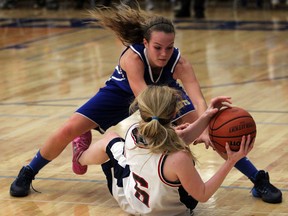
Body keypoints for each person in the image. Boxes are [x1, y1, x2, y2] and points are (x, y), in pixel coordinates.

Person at [10, 2, 282, 204]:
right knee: (69, 127)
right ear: (145, 43)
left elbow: (197, 96)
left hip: (163, 95)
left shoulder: (180, 61)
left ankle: (257, 179)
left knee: (220, 132)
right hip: (124, 93)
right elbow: (146, 102)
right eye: (157, 48)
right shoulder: (132, 58)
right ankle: (28, 172)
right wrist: (194, 129)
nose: (164, 53)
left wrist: (206, 125)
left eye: (169, 47)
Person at [75, 85, 254, 215]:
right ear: (175, 113)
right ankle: (80, 157)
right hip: (174, 212)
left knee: (111, 138)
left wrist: (207, 115)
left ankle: (80, 157)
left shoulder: (133, 132)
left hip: (130, 201)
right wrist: (231, 161)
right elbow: (203, 194)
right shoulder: (179, 158)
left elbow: (168, 140)